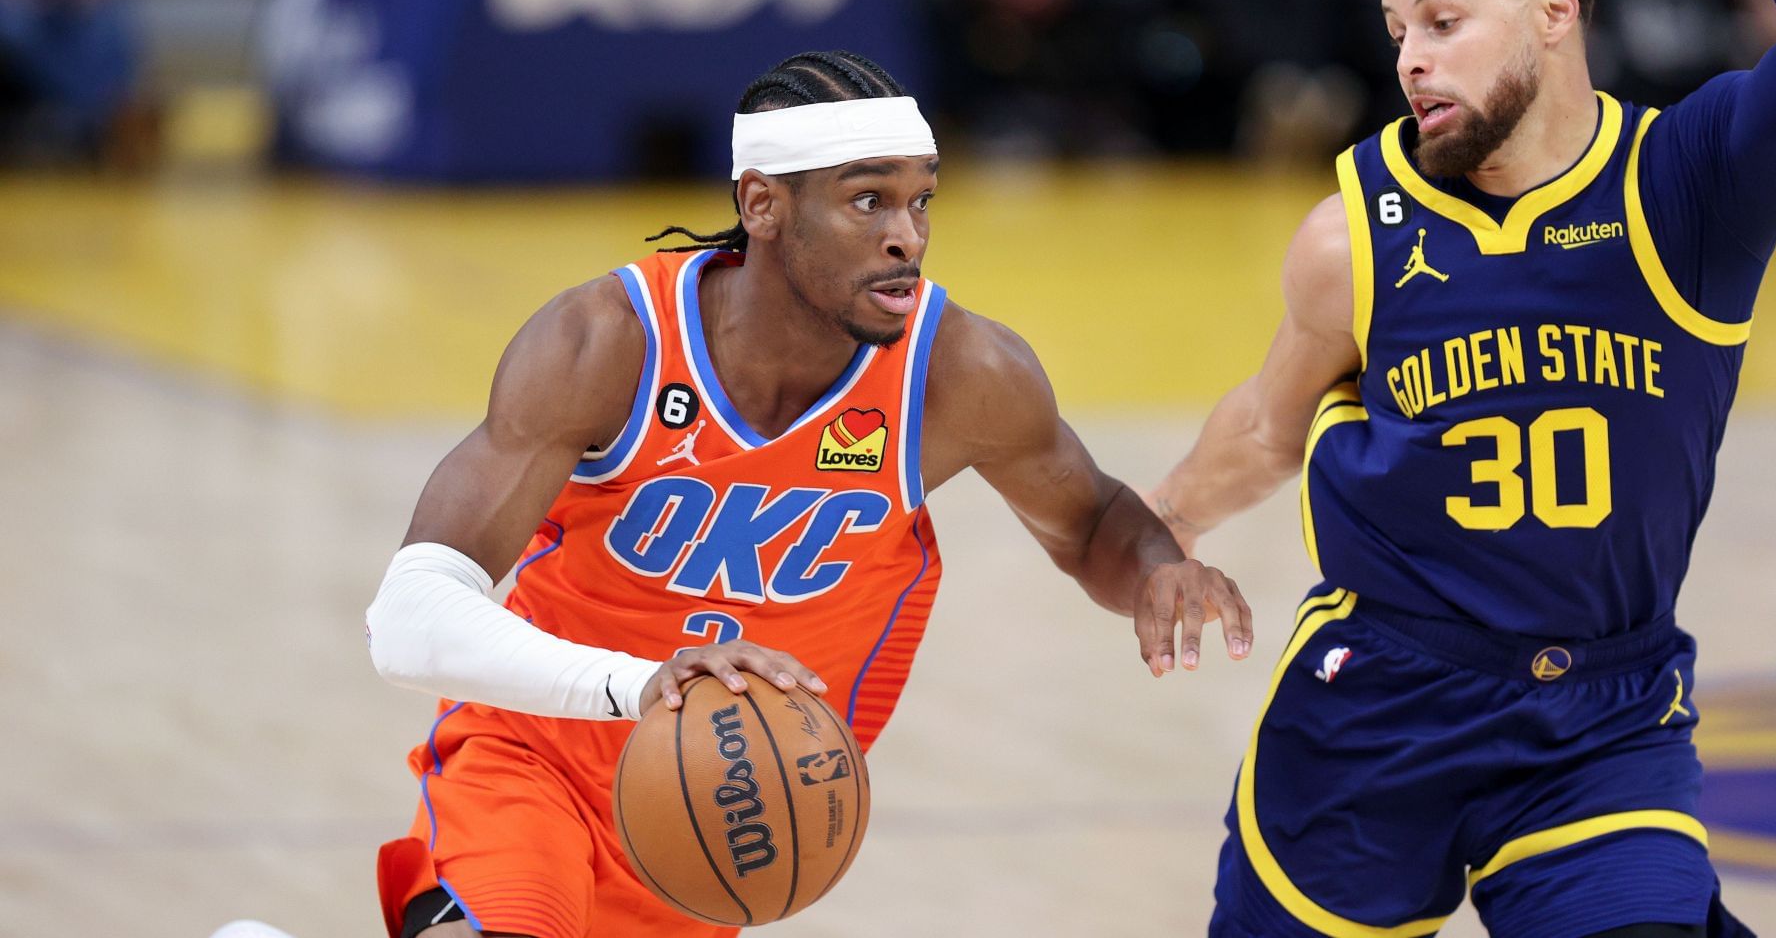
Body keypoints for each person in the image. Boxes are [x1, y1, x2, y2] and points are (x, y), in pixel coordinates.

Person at [1150, 0, 1776, 937]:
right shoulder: (1354, 231)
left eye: (1443, 18)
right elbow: (1273, 422)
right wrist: (1148, 534)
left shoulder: (1685, 184)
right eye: (1395, 33)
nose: (1412, 58)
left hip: (1600, 720)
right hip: (1373, 706)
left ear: (1554, 16)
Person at [358, 49, 1254, 938]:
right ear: (763, 204)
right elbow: (407, 617)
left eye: (921, 200)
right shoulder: (607, 342)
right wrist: (641, 687)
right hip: (531, 761)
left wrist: (1157, 567)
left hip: (719, 808)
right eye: (869, 200)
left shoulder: (960, 372)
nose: (908, 234)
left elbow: (1092, 517)